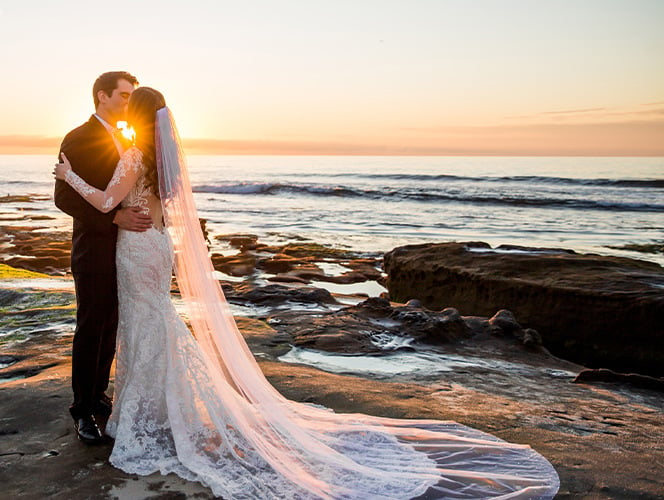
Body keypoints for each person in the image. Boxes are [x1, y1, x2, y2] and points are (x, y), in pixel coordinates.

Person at [54, 87, 560, 499]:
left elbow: (104, 198)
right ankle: (137, 409)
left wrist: (68, 176)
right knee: (153, 324)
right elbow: (143, 205)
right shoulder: (162, 160)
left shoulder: (136, 152)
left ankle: (140, 415)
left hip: (137, 250)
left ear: (135, 113)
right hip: (155, 246)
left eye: (128, 100)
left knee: (146, 326)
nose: (122, 105)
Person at [53, 71, 151, 444]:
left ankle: (99, 396)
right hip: (93, 249)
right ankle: (82, 411)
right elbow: (63, 197)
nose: (129, 102)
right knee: (91, 326)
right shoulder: (78, 137)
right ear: (102, 97)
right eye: (124, 96)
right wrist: (113, 216)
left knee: (111, 326)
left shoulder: (127, 138)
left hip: (127, 251)